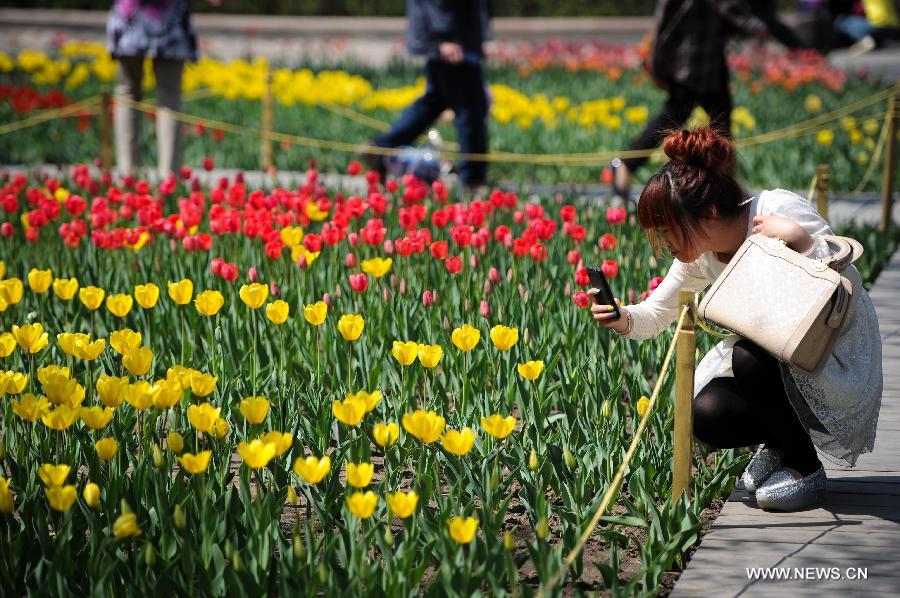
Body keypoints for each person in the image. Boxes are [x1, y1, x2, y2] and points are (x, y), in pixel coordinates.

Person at [592, 127, 883, 512]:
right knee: (705, 414)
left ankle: (805, 468)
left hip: (832, 354)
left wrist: (801, 241)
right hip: (774, 360)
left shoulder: (774, 210)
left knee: (748, 357)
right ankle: (782, 441)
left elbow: (840, 281)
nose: (665, 245)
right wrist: (621, 317)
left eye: (668, 231)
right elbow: (655, 313)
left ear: (709, 212)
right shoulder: (700, 255)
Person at [609, 0, 769, 203]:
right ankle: (625, 163)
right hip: (695, 61)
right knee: (681, 117)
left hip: (701, 56)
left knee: (712, 119)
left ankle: (727, 184)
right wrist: (755, 26)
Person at [364, 0, 491, 191]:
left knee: (434, 103)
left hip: (456, 38)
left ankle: (381, 147)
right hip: (452, 40)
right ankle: (472, 180)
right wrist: (445, 35)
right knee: (470, 109)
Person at [106, 0, 219, 179]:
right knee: (169, 98)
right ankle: (169, 179)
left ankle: (127, 176)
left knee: (127, 94)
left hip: (131, 14)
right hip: (168, 18)